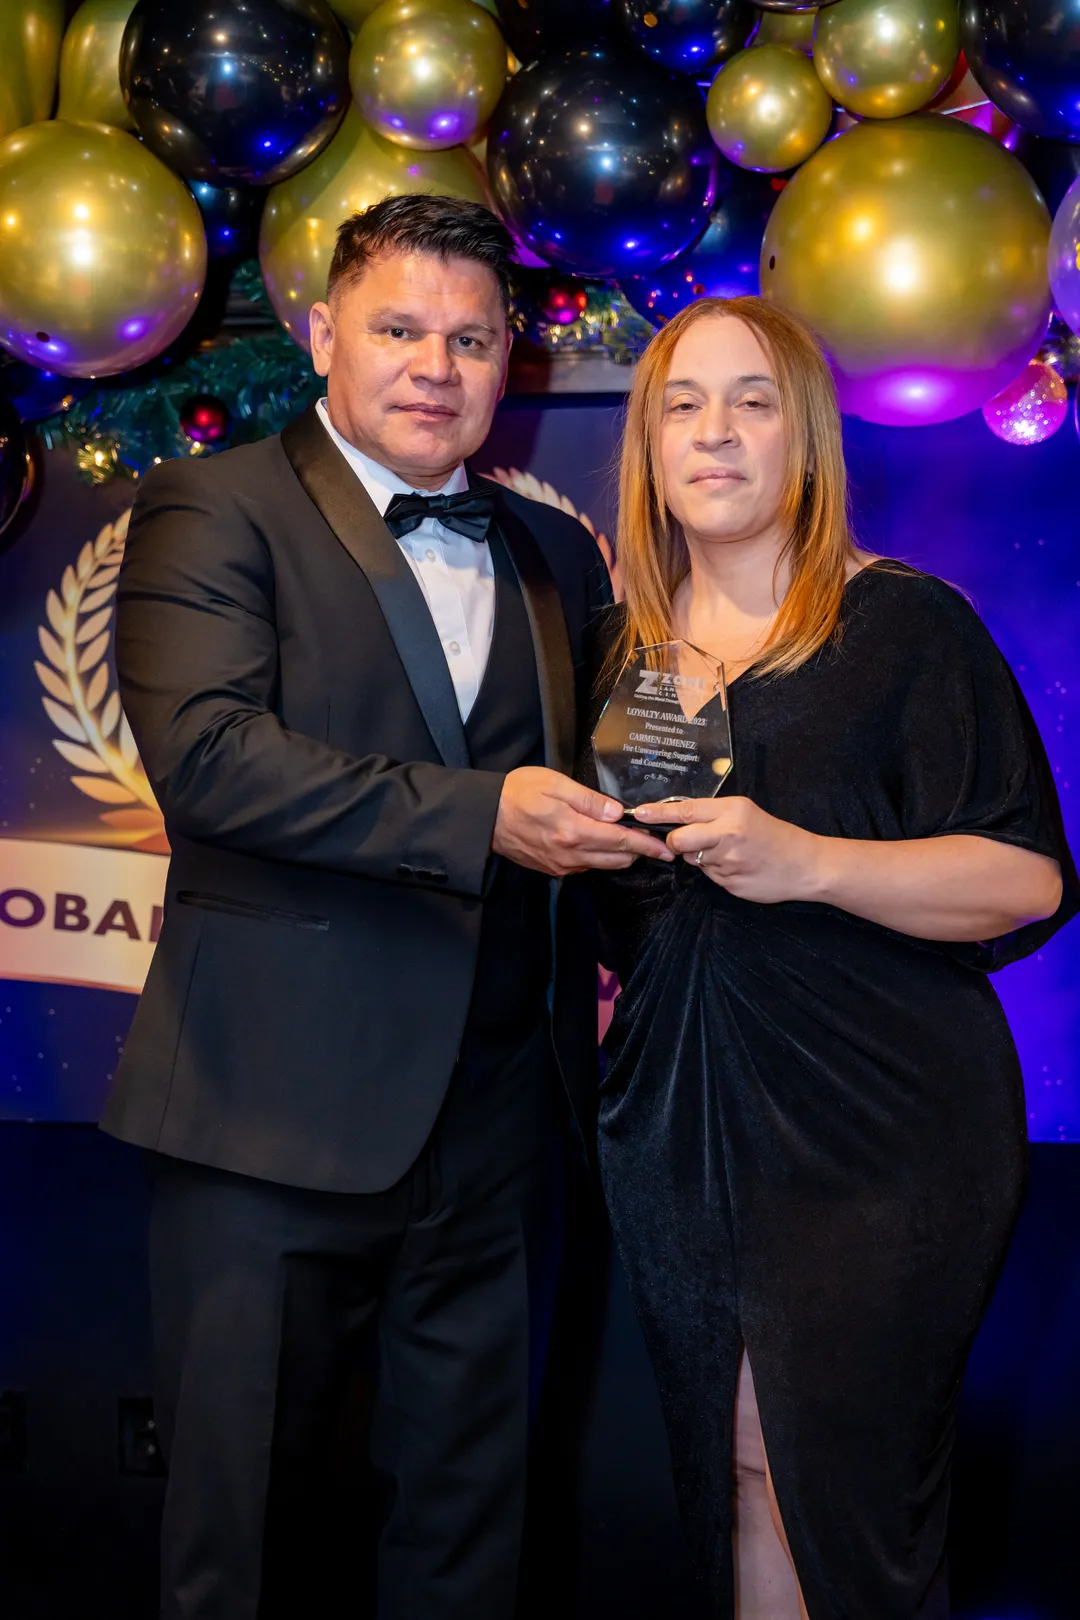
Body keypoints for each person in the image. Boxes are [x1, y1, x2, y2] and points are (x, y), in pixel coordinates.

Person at [102, 194, 667, 1620]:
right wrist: (487, 815)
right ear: (318, 334)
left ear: (506, 366)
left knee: (469, 1533)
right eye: (400, 328)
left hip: (495, 1127)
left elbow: (608, 794)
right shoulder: (209, 508)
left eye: (471, 339)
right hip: (265, 1117)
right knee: (240, 1541)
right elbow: (213, 759)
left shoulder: (555, 557)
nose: (436, 364)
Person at [584, 294, 1079, 1619]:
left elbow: (1027, 879)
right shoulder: (625, 655)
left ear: (805, 441)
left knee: (843, 1490)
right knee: (735, 1466)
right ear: (648, 446)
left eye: (753, 403)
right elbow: (637, 912)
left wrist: (810, 861)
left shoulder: (902, 625)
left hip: (879, 1129)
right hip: (680, 1130)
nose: (717, 434)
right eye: (683, 404)